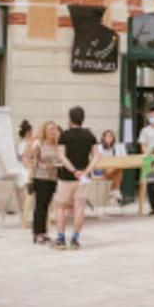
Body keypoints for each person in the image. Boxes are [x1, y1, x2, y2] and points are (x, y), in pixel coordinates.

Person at [53, 106, 99, 249]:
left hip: (66, 177)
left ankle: (61, 239)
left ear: (69, 118)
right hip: (83, 178)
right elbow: (97, 156)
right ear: (83, 118)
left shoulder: (64, 135)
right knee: (79, 208)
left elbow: (61, 155)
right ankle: (75, 240)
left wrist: (73, 170)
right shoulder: (90, 135)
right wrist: (85, 171)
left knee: (60, 207)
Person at [29, 121, 61, 244]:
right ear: (45, 131)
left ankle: (43, 232)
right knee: (40, 206)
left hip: (53, 178)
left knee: (47, 206)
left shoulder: (58, 144)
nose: (54, 131)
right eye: (51, 129)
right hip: (41, 177)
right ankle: (37, 234)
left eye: (55, 129)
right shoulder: (39, 144)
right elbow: (32, 160)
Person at [96, 128, 126, 201]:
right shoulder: (99, 148)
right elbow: (98, 161)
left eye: (111, 136)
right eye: (107, 136)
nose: (109, 138)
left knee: (119, 168)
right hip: (101, 172)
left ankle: (114, 191)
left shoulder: (118, 147)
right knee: (117, 168)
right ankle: (115, 190)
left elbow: (124, 160)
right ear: (103, 138)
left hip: (113, 171)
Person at [16, 120, 36, 225]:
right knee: (29, 193)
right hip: (25, 171)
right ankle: (26, 219)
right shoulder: (24, 144)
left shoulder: (27, 144)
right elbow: (25, 162)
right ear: (28, 133)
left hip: (27, 170)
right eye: (32, 132)